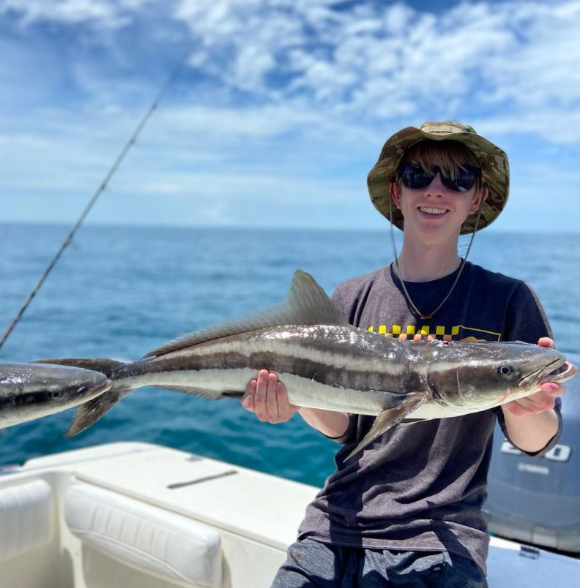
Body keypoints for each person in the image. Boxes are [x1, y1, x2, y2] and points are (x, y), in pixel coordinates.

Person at [241, 121, 564, 587]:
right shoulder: (351, 296)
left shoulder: (509, 300)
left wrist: (526, 405)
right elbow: (343, 426)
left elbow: (536, 440)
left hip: (440, 539)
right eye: (419, 175)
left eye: (458, 178)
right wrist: (292, 398)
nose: (437, 190)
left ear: (476, 198)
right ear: (397, 192)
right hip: (333, 525)